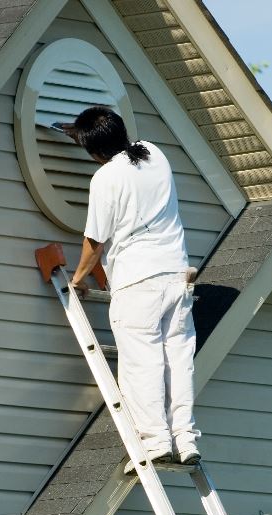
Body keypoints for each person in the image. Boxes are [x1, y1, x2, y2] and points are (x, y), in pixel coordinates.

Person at [66, 106, 201, 470]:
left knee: (142, 363)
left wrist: (77, 281)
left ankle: (155, 442)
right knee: (177, 361)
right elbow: (122, 154)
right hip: (176, 276)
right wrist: (79, 131)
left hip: (137, 282)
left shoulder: (105, 179)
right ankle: (185, 439)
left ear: (95, 152)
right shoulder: (153, 154)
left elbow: (95, 242)